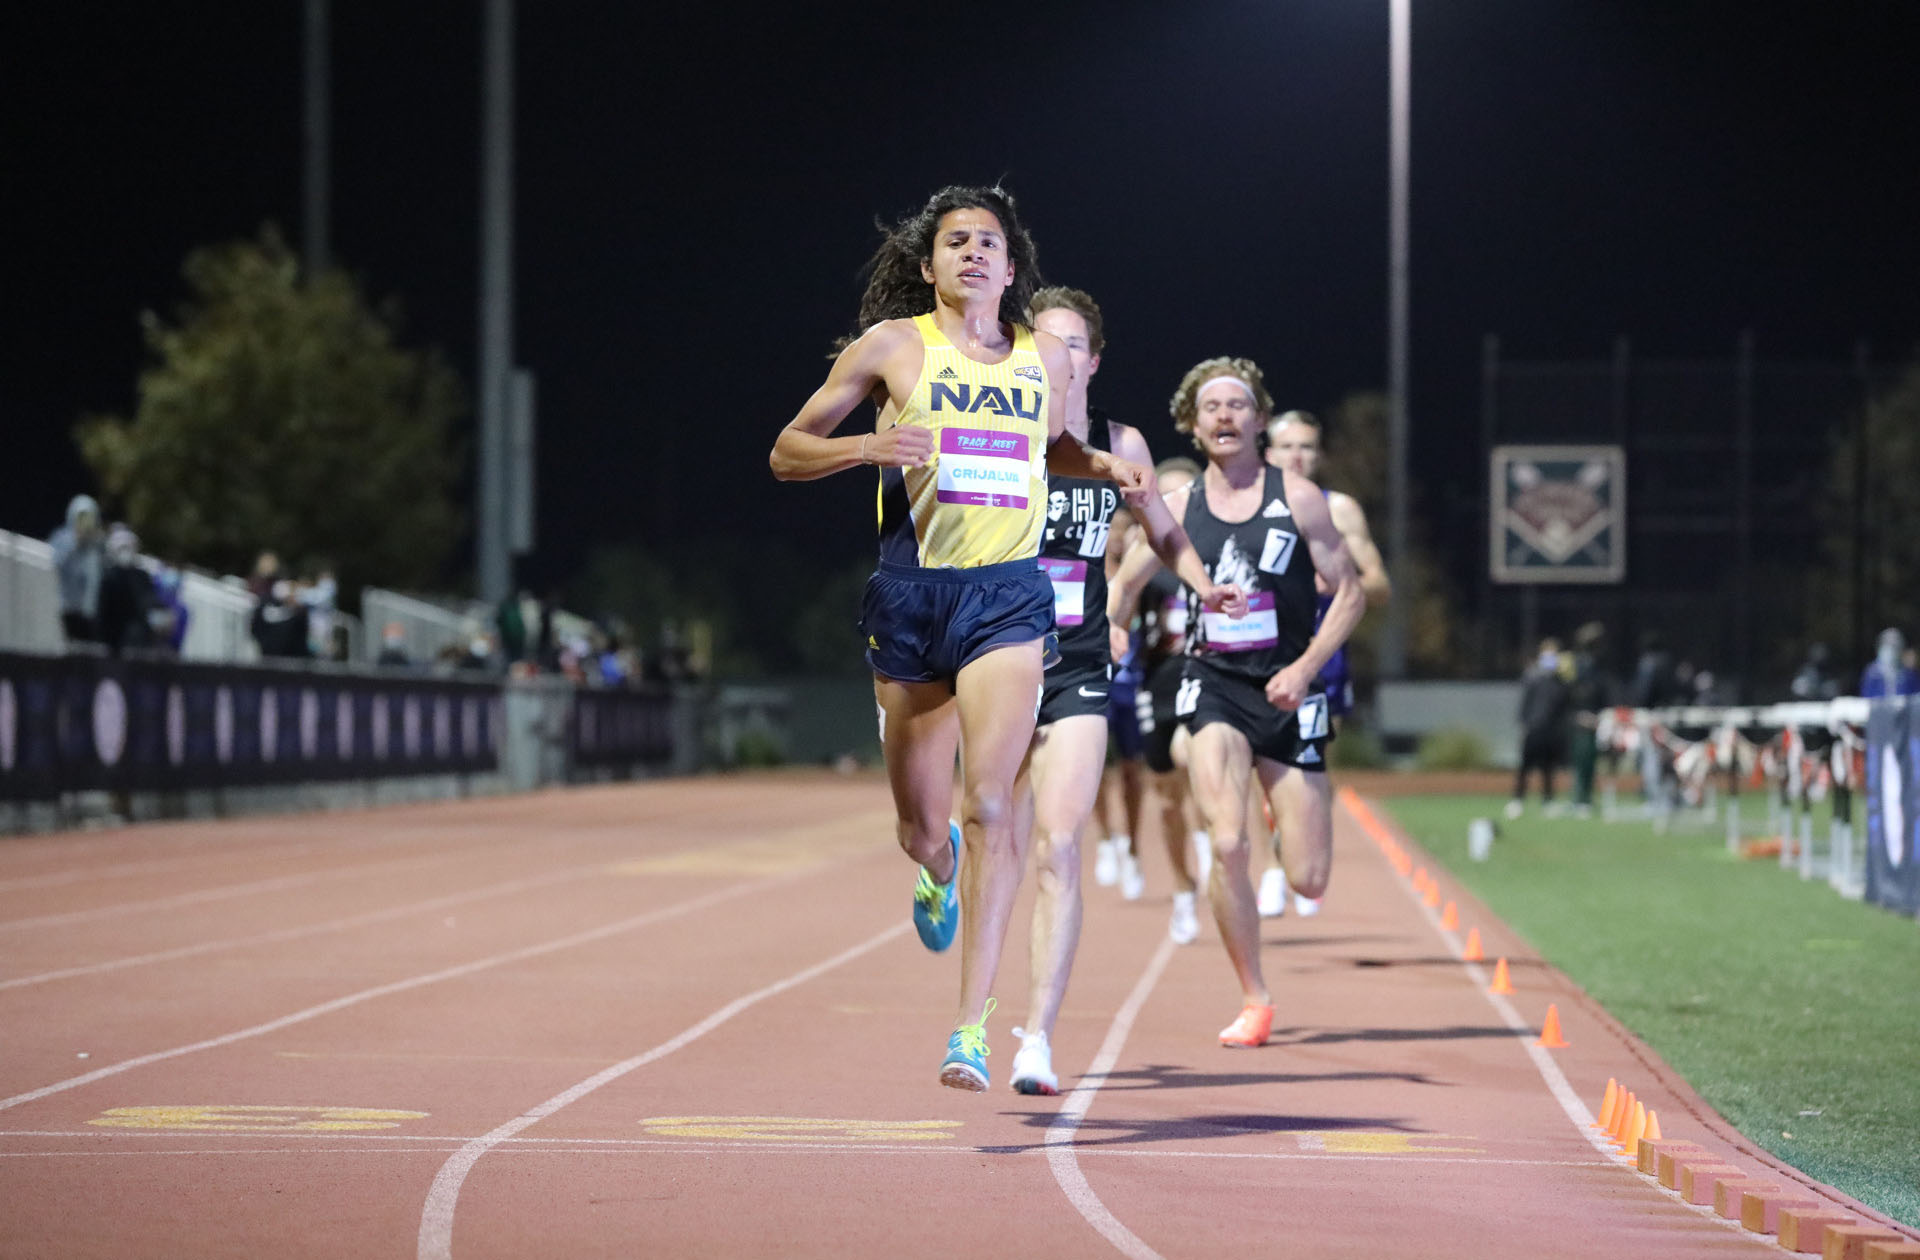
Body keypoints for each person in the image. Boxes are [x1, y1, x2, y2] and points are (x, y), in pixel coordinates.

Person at [769, 185, 1151, 1091]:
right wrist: (869, 449)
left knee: (993, 807)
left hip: (1010, 600)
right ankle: (933, 870)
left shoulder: (1040, 357)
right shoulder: (894, 347)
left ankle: (971, 1028)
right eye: (956, 242)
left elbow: (1051, 447)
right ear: (930, 263)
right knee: (923, 823)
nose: (974, 253)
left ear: (1011, 269)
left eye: (989, 242)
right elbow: (786, 451)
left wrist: (1102, 466)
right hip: (911, 597)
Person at [1005, 286, 1244, 1096]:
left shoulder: (1120, 443)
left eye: (1072, 342)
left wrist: (1203, 587)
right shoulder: (995, 429)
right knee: (968, 833)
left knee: (1057, 847)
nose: (1056, 354)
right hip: (988, 663)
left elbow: (1162, 531)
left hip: (1072, 666)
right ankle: (937, 862)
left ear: (1094, 359)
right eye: (1041, 339)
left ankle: (1035, 1037)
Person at [1109, 357, 1363, 1049]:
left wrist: (1309, 667)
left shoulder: (1299, 497)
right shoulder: (1181, 505)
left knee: (1308, 881)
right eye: (1211, 406)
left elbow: (1351, 590)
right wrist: (1113, 630)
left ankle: (1290, 804)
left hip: (1287, 685)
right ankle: (1255, 996)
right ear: (1194, 425)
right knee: (1226, 841)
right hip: (1213, 679)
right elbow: (1127, 582)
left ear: (1258, 420)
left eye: (1237, 405)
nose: (1224, 415)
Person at [1258, 409, 1393, 917]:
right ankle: (1274, 867)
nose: (1298, 455)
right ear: (1268, 451)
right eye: (1288, 446)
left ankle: (1307, 856)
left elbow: (1378, 582)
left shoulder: (1339, 510)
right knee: (1256, 764)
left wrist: (1337, 583)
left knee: (1316, 761)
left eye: (1308, 447)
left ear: (1320, 455)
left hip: (1321, 653)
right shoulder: (1249, 503)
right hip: (1259, 648)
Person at [1127, 458, 1214, 948]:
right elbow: (1115, 600)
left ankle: (1208, 842)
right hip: (1156, 682)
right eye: (1169, 498)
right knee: (1165, 796)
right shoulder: (1147, 560)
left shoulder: (1218, 554)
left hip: (1203, 679)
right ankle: (1183, 887)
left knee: (1196, 756)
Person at [1508, 637, 1571, 817]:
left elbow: (1564, 706)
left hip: (1551, 730)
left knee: (1548, 768)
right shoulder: (1532, 677)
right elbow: (1525, 704)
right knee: (1525, 767)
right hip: (1534, 728)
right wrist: (1523, 725)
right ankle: (1518, 799)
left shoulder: (1560, 681)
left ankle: (1548, 800)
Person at [1565, 621, 1613, 815]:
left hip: (1594, 719)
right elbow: (1572, 693)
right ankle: (1579, 798)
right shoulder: (1578, 665)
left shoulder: (1596, 666)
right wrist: (1577, 714)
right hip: (1580, 719)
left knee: (1589, 760)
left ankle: (1584, 797)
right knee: (1581, 759)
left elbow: (1600, 692)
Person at [49, 494, 105, 645]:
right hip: (69, 605)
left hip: (91, 607)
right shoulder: (62, 538)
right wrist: (76, 541)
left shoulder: (97, 544)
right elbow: (57, 562)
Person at [1859, 628, 1920, 698]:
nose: (1892, 651)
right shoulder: (1872, 673)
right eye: (1889, 646)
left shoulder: (1909, 675)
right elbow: (1867, 697)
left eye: (1896, 647)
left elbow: (1916, 697)